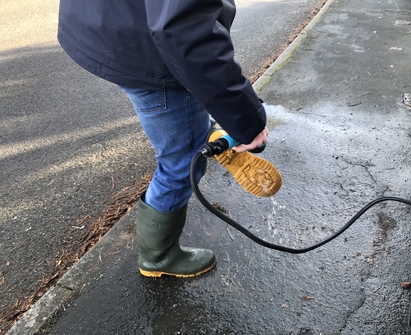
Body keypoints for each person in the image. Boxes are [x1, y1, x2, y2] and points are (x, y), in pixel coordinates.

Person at [58, 0, 268, 278]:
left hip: (100, 26)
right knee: (181, 165)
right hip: (150, 54)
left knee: (186, 130)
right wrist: (247, 121)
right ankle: (159, 257)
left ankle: (204, 133)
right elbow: (185, 32)